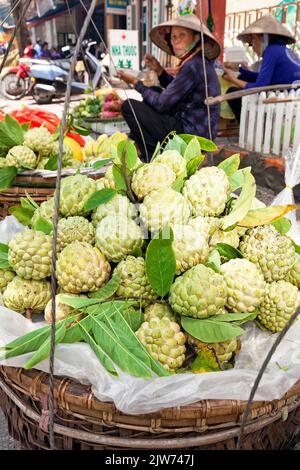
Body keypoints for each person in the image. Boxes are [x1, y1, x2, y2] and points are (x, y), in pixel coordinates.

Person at [118, 13, 221, 162]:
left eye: (182, 35)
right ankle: (152, 150)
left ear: (196, 38)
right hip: (196, 130)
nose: (176, 41)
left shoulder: (193, 65)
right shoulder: (197, 62)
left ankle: (154, 156)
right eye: (173, 36)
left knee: (129, 107)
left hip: (191, 136)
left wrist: (136, 83)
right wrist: (159, 70)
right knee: (154, 92)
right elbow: (177, 90)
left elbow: (161, 104)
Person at [222, 14, 300, 122]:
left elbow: (260, 86)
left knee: (232, 92)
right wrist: (237, 70)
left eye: (251, 41)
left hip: (284, 101)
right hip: (291, 97)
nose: (252, 46)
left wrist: (233, 79)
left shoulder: (271, 51)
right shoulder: (284, 50)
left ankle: (251, 130)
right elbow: (261, 78)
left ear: (260, 38)